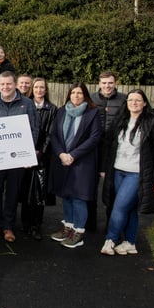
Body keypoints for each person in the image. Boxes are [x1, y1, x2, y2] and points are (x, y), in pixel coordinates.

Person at [100, 89, 154, 256]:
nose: (134, 103)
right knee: (129, 208)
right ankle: (130, 242)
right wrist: (104, 167)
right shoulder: (121, 120)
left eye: (138, 100)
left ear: (144, 103)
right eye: (130, 100)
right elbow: (109, 144)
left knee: (119, 206)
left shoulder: (153, 123)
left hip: (137, 174)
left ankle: (111, 239)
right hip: (117, 170)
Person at [0, 71, 38, 243]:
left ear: (15, 85)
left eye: (9, 84)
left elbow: (34, 129)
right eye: (2, 84)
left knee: (12, 195)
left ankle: (8, 227)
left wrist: (27, 152)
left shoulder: (27, 104)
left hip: (16, 160)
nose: (5, 87)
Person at [49, 82, 102, 249]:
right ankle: (68, 228)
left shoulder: (93, 113)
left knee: (79, 198)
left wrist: (73, 155)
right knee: (66, 196)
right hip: (63, 160)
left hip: (82, 163)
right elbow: (54, 135)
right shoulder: (62, 111)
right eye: (73, 93)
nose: (76, 96)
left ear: (85, 95)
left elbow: (94, 138)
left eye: (79, 93)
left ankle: (78, 233)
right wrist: (61, 154)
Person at [90, 71, 127, 231]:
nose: (107, 86)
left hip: (114, 148)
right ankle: (89, 223)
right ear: (99, 84)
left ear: (115, 83)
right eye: (104, 83)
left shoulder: (124, 99)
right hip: (94, 147)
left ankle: (110, 224)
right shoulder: (91, 99)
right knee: (90, 188)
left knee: (111, 189)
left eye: (110, 83)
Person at [20, 77, 57, 240]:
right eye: (36, 87)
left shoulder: (52, 109)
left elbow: (50, 133)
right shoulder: (25, 106)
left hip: (41, 157)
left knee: (39, 194)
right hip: (24, 155)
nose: (39, 90)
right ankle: (25, 223)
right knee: (25, 191)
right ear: (32, 89)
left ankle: (36, 225)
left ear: (46, 90)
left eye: (42, 88)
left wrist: (39, 151)